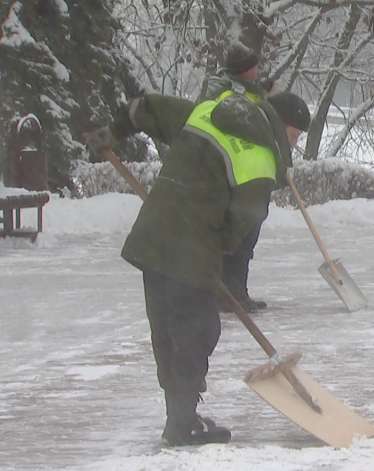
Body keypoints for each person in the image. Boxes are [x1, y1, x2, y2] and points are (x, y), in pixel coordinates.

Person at [86, 87, 311, 446]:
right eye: (295, 136)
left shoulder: (207, 112)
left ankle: (179, 415)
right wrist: (215, 251)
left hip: (153, 236)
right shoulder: (261, 157)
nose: (295, 145)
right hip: (191, 248)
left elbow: (147, 108)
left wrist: (113, 132)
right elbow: (241, 224)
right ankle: (181, 422)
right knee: (197, 330)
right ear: (280, 125)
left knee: (166, 329)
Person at [199, 41, 289, 313]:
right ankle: (229, 294)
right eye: (254, 67)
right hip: (236, 176)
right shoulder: (226, 93)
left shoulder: (240, 90)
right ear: (246, 70)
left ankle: (235, 291)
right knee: (238, 239)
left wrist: (264, 93)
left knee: (245, 239)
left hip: (249, 174)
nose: (258, 70)